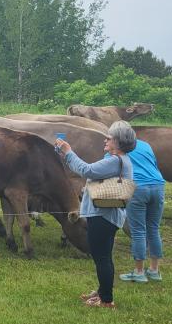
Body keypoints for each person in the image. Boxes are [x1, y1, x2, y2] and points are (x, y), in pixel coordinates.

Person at [57, 121, 135, 309]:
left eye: (109, 137)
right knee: (104, 256)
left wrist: (68, 151)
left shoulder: (114, 160)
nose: (105, 139)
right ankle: (102, 292)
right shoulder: (119, 160)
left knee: (101, 258)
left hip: (103, 217)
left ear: (118, 141)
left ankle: (106, 299)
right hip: (107, 215)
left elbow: (86, 170)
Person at [120, 138, 165, 283]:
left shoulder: (117, 147)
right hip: (158, 186)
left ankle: (138, 272)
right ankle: (154, 270)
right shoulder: (146, 144)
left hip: (137, 188)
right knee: (153, 228)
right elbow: (154, 165)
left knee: (138, 231)